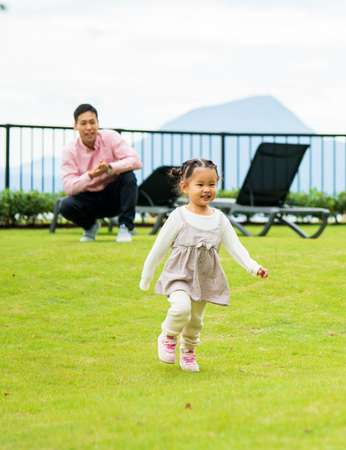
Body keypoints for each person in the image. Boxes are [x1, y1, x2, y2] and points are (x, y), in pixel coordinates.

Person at [139, 159, 269, 372]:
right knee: (181, 308)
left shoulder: (219, 219)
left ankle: (188, 352)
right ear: (185, 187)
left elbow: (236, 247)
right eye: (200, 184)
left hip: (205, 277)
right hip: (178, 275)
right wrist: (146, 277)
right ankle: (168, 336)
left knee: (196, 320)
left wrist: (254, 267)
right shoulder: (178, 216)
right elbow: (159, 248)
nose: (206, 189)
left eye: (212, 184)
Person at [60, 104, 142, 243]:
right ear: (75, 126)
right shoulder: (69, 151)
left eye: (92, 122)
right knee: (65, 205)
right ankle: (90, 227)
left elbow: (135, 161)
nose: (89, 127)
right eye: (83, 123)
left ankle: (125, 227)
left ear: (98, 123)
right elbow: (68, 187)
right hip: (89, 199)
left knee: (128, 176)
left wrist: (110, 167)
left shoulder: (110, 137)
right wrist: (91, 175)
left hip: (114, 197)